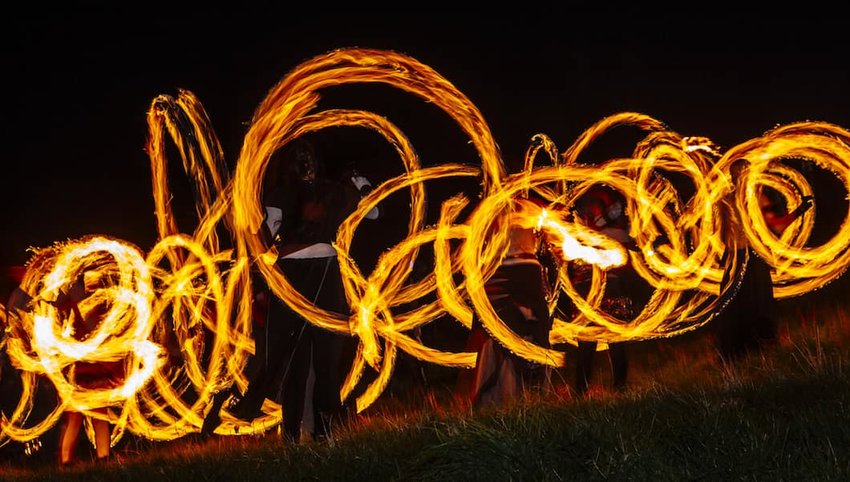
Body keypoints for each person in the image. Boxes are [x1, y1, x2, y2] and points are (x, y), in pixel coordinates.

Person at [230, 137, 380, 443]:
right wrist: (361, 183)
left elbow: (265, 240)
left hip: (297, 273)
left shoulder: (286, 193)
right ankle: (317, 432)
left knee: (298, 355)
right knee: (317, 356)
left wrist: (249, 237)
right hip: (320, 271)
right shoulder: (332, 191)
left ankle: (298, 433)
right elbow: (374, 212)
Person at [714, 160, 813, 361]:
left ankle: (756, 350)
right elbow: (722, 232)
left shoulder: (753, 199)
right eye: (743, 173)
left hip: (749, 259)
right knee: (739, 308)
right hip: (741, 259)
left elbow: (774, 224)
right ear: (735, 176)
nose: (747, 176)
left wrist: (799, 211)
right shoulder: (732, 200)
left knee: (756, 306)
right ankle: (737, 353)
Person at [467, 197, 554, 409]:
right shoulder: (494, 213)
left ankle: (530, 396)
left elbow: (545, 242)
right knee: (505, 338)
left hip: (526, 271)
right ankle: (502, 398)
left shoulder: (530, 209)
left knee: (535, 333)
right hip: (506, 271)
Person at [558, 185, 640, 396]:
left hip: (609, 289)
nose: (588, 213)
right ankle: (583, 391)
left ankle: (617, 389)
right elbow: (571, 259)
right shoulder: (580, 229)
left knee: (613, 342)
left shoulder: (613, 226)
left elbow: (624, 253)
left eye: (592, 209)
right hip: (587, 291)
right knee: (588, 344)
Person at [53, 270, 123, 465]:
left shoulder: (95, 308)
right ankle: (82, 459)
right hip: (86, 369)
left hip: (90, 368)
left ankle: (96, 458)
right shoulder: (83, 309)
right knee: (84, 417)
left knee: (91, 416)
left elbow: (108, 339)